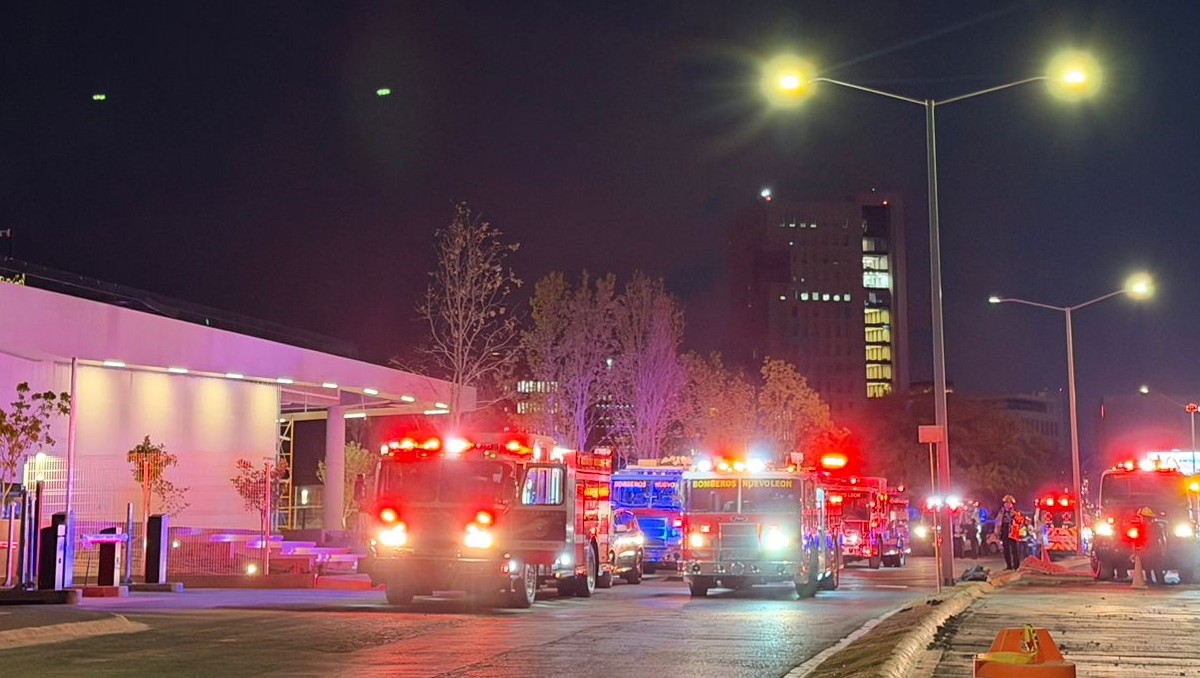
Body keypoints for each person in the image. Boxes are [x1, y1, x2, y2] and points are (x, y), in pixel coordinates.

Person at [996, 494, 1020, 570]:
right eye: (1006, 502)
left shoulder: (1015, 512)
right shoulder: (1001, 512)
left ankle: (1016, 565)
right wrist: (997, 532)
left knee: (1014, 549)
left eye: (1009, 503)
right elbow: (998, 522)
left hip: (1013, 532)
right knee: (1006, 549)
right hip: (1004, 531)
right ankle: (1009, 565)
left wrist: (1014, 515)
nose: (1007, 504)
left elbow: (1020, 521)